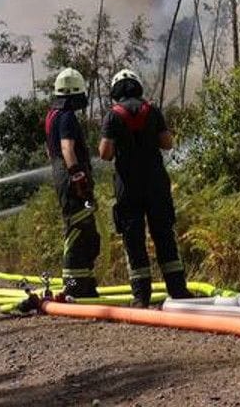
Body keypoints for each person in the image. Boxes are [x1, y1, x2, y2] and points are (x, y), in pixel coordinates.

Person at [99, 68, 186, 307]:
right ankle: (178, 293)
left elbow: (105, 154)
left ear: (116, 91)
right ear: (137, 86)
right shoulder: (152, 110)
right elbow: (167, 144)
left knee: (133, 240)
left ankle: (141, 298)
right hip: (156, 183)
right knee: (164, 235)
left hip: (128, 188)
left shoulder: (112, 116)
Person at [45, 67, 102, 299]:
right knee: (79, 230)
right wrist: (79, 178)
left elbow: (50, 152)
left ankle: (84, 284)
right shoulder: (67, 116)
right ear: (73, 93)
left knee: (86, 231)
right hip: (71, 181)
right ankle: (74, 285)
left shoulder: (52, 115)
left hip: (61, 178)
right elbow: (68, 148)